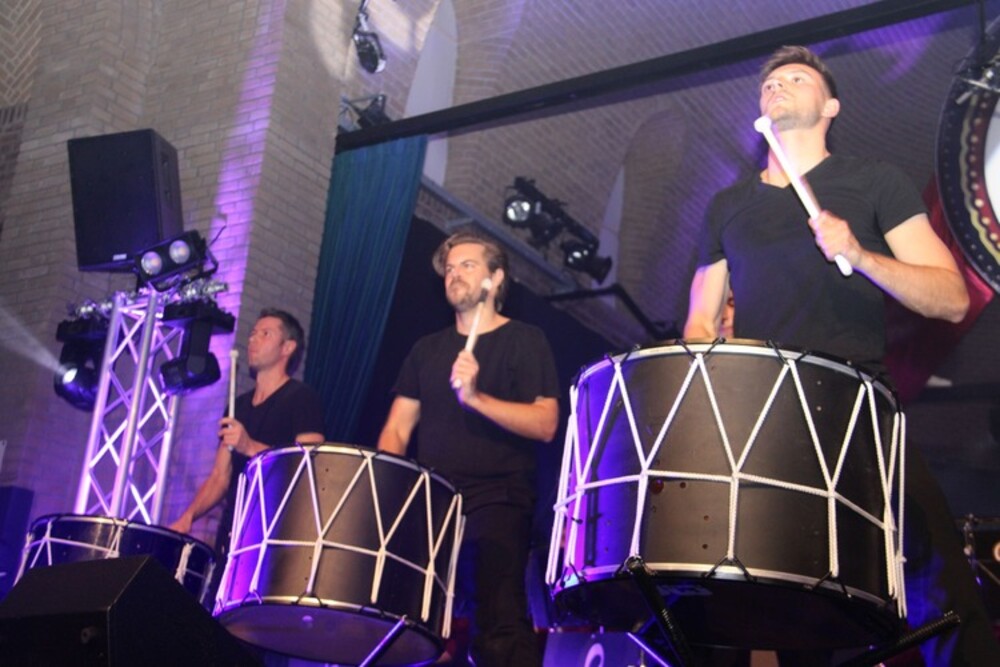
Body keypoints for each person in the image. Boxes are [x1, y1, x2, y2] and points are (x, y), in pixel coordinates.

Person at [684, 45, 1000, 665]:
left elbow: (951, 298)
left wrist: (858, 253)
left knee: (939, 587)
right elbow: (699, 321)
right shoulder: (727, 206)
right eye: (770, 81)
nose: (777, 84)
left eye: (797, 77)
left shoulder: (872, 181)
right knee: (793, 602)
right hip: (767, 420)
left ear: (830, 107)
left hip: (861, 410)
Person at [377, 232, 560, 667]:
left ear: (495, 279)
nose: (454, 274)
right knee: (410, 624)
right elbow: (397, 429)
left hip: (497, 499)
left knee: (498, 625)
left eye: (467, 265)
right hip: (433, 501)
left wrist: (475, 398)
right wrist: (391, 490)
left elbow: (546, 424)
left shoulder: (524, 339)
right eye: (450, 268)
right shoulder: (427, 350)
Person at [169, 308, 325, 556]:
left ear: (287, 347)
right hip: (233, 530)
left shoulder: (302, 398)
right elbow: (220, 477)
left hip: (273, 533)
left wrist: (250, 447)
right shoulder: (238, 406)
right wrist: (188, 517)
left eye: (265, 334)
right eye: (253, 333)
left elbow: (309, 469)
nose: (253, 339)